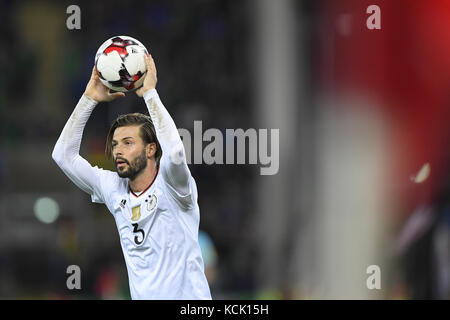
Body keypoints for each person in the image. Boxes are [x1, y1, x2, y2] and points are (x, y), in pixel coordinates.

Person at [52, 52, 211, 300]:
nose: (118, 151)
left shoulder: (173, 185)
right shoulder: (113, 187)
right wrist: (88, 99)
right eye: (115, 144)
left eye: (128, 143)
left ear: (151, 149)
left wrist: (150, 94)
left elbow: (177, 153)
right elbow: (63, 156)